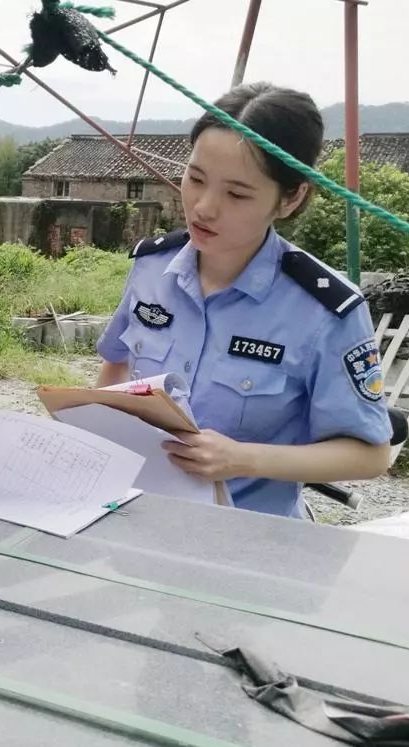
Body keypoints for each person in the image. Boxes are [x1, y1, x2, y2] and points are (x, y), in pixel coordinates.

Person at [96, 82, 392, 519]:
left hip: (253, 536)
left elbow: (370, 454)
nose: (204, 208)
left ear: (291, 197)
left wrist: (242, 458)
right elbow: (116, 367)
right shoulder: (150, 268)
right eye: (195, 178)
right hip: (141, 515)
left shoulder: (322, 311)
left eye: (236, 194)